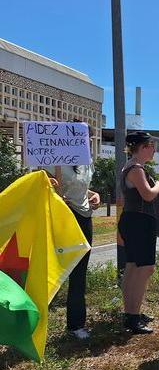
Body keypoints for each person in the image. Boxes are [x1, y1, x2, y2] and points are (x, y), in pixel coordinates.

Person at [49, 132, 100, 339]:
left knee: (79, 273)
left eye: (88, 139)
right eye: (81, 138)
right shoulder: (55, 161)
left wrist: (94, 195)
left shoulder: (87, 162)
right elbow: (45, 186)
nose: (86, 142)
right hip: (62, 218)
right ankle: (33, 321)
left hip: (83, 218)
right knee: (51, 269)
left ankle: (76, 324)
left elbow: (83, 188)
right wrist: (54, 192)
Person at [118, 131, 159, 334]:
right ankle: (133, 317)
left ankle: (131, 312)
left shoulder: (130, 166)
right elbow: (147, 195)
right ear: (143, 147)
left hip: (133, 220)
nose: (154, 150)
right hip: (139, 222)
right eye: (151, 146)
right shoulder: (136, 169)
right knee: (145, 269)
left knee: (132, 267)